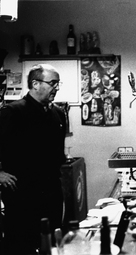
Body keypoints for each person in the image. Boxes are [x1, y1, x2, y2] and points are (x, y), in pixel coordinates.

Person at [0, 64, 66, 254]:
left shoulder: (57, 114)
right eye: (53, 83)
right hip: (23, 196)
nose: (57, 88)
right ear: (35, 84)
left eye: (58, 83)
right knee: (23, 246)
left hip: (52, 192)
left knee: (52, 244)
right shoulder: (12, 112)